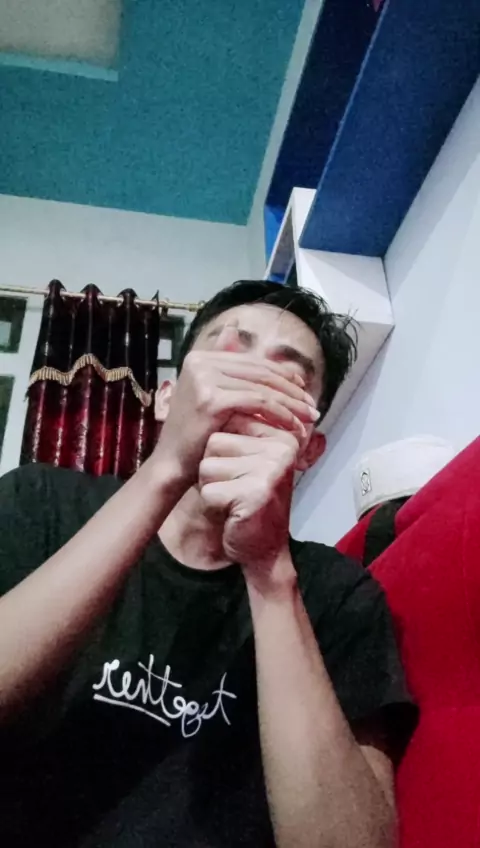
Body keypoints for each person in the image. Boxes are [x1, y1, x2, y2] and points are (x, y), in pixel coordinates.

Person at [0, 280, 416, 848]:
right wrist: (166, 469)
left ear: (308, 450)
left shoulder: (340, 596)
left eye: (285, 377)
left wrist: (269, 570)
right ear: (167, 399)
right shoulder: (41, 502)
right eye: (230, 354)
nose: (249, 384)